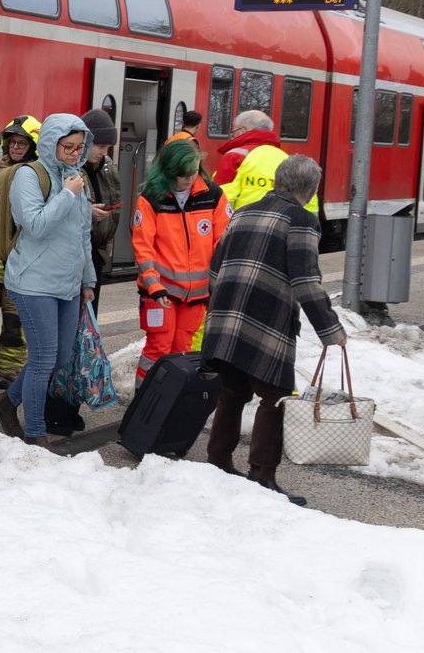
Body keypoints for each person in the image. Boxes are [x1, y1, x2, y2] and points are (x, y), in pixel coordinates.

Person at [200, 155, 346, 506]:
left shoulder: (245, 210)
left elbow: (215, 268)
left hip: (225, 317)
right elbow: (306, 280)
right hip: (265, 321)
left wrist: (219, 312)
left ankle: (218, 463)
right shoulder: (302, 219)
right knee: (276, 397)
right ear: (310, 190)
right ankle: (262, 476)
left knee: (232, 392)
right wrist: (331, 329)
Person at [0, 114, 95, 446]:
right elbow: (34, 225)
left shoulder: (77, 178)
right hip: (32, 281)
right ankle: (35, 435)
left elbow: (83, 235)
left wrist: (87, 280)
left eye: (80, 147)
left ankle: (6, 401)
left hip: (67, 283)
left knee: (59, 358)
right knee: (44, 357)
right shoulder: (28, 176)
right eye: (68, 147)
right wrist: (66, 195)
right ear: (51, 143)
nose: (75, 153)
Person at [130, 139, 230, 383]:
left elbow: (223, 242)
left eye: (194, 172)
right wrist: (154, 286)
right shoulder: (152, 198)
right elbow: (143, 248)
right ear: (169, 171)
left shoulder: (213, 196)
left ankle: (172, 406)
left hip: (196, 295)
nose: (189, 179)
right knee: (157, 349)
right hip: (160, 292)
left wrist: (218, 285)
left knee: (182, 349)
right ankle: (144, 403)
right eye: (183, 175)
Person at [0, 115, 40, 387]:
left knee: (15, 327)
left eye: (22, 143)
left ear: (33, 147)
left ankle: (7, 374)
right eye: (12, 142)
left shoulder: (38, 176)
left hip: (21, 265)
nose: (16, 148)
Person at [215, 110, 315, 214]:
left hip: (244, 224)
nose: (233, 136)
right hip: (281, 223)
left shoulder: (235, 156)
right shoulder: (286, 158)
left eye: (234, 132)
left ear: (242, 131)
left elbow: (221, 197)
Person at [81, 108, 122, 304]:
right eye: (100, 146)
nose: (103, 152)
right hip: (78, 250)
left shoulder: (106, 167)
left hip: (96, 250)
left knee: (90, 314)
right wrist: (87, 213)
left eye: (106, 147)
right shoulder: (72, 169)